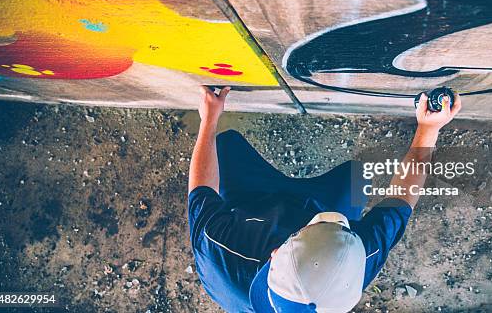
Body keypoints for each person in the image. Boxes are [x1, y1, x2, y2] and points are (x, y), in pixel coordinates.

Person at [188, 86, 461, 312]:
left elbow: (201, 189)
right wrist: (428, 129)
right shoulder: (353, 264)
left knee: (224, 144)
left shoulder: (218, 255)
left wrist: (209, 119)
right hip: (321, 203)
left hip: (252, 199)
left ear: (275, 256)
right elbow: (402, 199)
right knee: (358, 175)